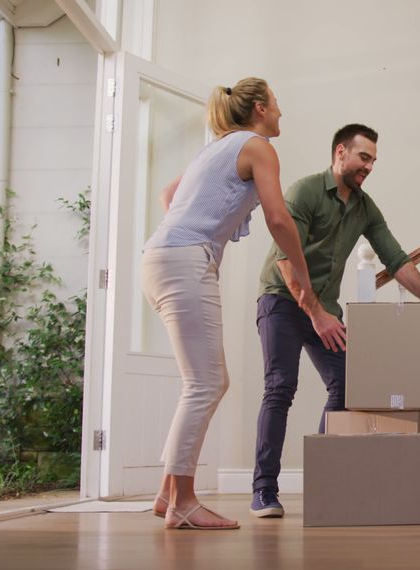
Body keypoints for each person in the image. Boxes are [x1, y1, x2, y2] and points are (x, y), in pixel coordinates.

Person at [249, 123, 420, 517]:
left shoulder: (365, 207)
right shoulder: (305, 191)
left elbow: (396, 259)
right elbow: (284, 260)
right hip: (281, 299)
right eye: (364, 157)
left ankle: (322, 476)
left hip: (324, 308)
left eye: (374, 160)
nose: (369, 167)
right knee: (280, 388)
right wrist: (315, 312)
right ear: (340, 153)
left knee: (348, 385)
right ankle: (264, 490)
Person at [142, 77, 322, 530]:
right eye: (276, 104)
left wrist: (193, 228)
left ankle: (167, 494)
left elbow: (168, 196)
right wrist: (303, 278)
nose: (280, 112)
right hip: (185, 260)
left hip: (160, 259)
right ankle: (183, 502)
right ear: (260, 108)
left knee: (203, 382)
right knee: (204, 384)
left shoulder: (216, 149)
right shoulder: (258, 146)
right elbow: (279, 219)